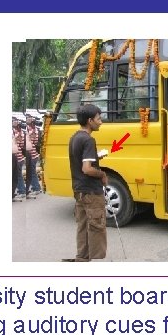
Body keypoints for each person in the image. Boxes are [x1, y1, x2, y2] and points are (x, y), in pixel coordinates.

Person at [64, 104, 107, 262]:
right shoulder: (88, 140)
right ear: (90, 121)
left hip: (79, 191)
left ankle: (81, 258)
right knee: (96, 227)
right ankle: (93, 263)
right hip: (91, 192)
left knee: (82, 226)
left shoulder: (75, 137)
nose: (100, 122)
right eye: (98, 119)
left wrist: (97, 157)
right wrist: (102, 174)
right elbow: (87, 169)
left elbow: (81, 161)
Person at [24, 114, 42, 196]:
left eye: (29, 118)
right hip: (31, 154)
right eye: (27, 118)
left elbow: (33, 141)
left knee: (32, 172)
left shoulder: (33, 130)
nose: (27, 120)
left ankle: (36, 188)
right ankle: (36, 186)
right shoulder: (30, 129)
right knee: (31, 171)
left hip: (32, 154)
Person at [12, 117, 27, 199]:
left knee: (17, 175)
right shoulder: (21, 133)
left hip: (17, 158)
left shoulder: (16, 133)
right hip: (20, 157)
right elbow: (21, 145)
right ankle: (21, 190)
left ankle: (21, 191)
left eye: (14, 122)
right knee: (18, 175)